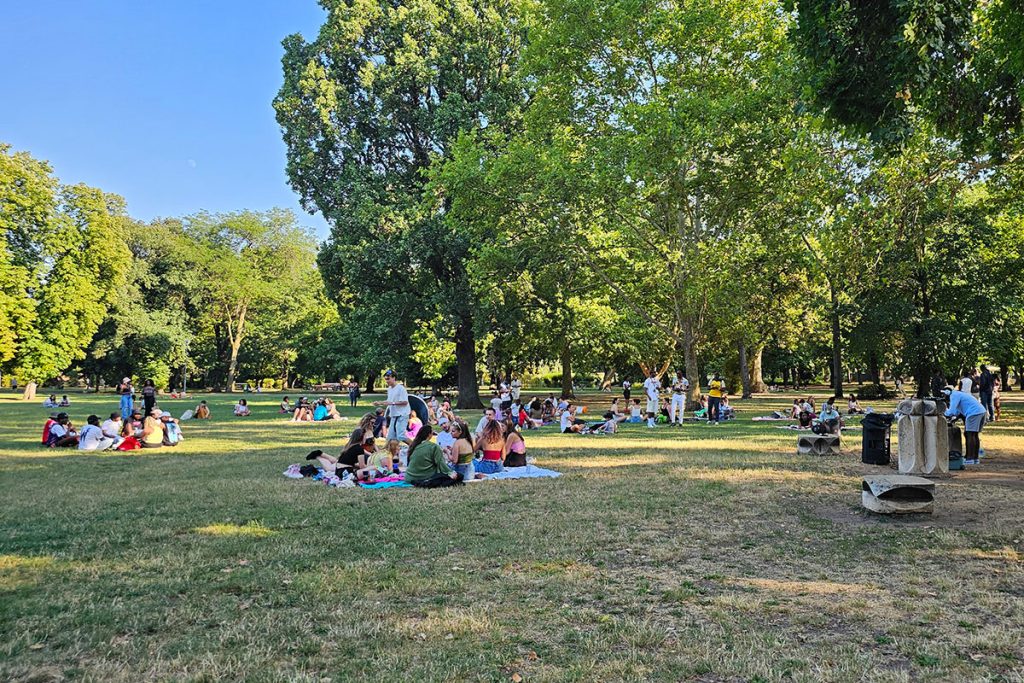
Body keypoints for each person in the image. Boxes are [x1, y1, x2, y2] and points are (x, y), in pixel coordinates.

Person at [944, 387, 987, 465]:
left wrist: (944, 411)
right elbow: (957, 412)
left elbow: (951, 411)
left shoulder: (954, 395)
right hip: (981, 411)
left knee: (969, 434)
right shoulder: (960, 394)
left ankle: (969, 458)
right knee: (974, 434)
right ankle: (975, 458)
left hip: (973, 413)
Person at [373, 371, 411, 443]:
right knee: (390, 438)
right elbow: (389, 401)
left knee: (400, 436)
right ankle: (389, 453)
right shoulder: (389, 389)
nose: (387, 381)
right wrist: (380, 403)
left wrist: (392, 403)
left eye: (388, 379)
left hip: (402, 415)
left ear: (394, 378)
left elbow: (405, 402)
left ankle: (415, 447)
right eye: (386, 379)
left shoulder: (401, 388)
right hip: (394, 415)